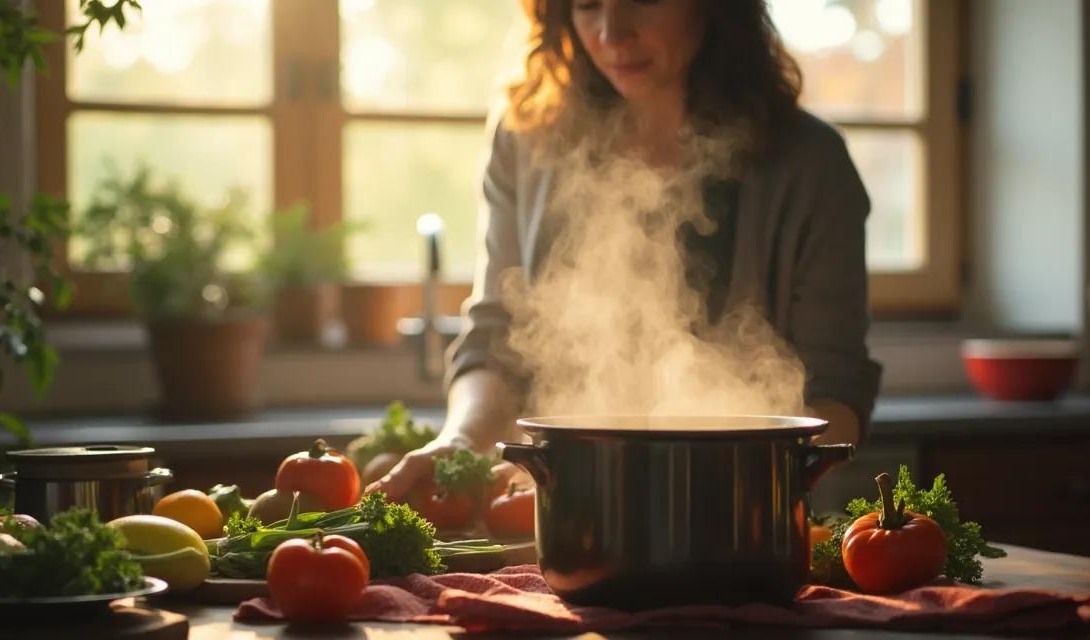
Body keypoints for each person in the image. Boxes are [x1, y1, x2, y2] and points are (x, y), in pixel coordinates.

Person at [367, 0, 881, 500]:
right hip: (552, 515)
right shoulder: (527, 140)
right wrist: (460, 444)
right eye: (587, 4)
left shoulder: (811, 165)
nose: (612, 33)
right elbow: (497, 338)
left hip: (737, 524)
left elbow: (834, 387)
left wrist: (737, 490)